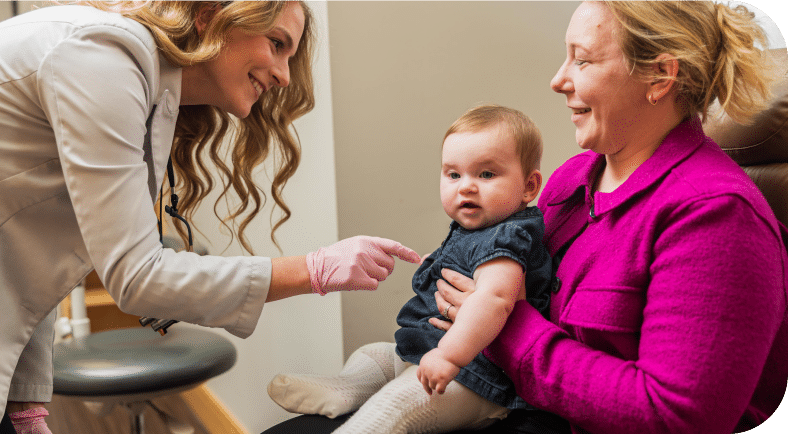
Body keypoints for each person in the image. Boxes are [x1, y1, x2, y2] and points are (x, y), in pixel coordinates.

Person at [264, 1, 788, 433]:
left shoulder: (717, 218)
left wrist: (504, 327)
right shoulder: (574, 178)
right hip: (508, 399)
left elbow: (677, 416)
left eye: (581, 61)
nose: (559, 80)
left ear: (659, 76)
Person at [0, 2, 420, 434]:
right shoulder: (103, 60)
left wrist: (26, 402)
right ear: (210, 15)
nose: (285, 74)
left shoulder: (143, 81)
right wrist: (314, 269)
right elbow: (136, 278)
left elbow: (31, 248)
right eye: (277, 43)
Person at [267, 104, 569, 434]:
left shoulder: (509, 240)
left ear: (529, 186)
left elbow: (495, 300)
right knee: (378, 355)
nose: (465, 186)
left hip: (478, 377)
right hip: (436, 351)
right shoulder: (477, 229)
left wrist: (449, 357)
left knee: (401, 400)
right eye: (454, 174)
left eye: (486, 174)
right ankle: (347, 387)